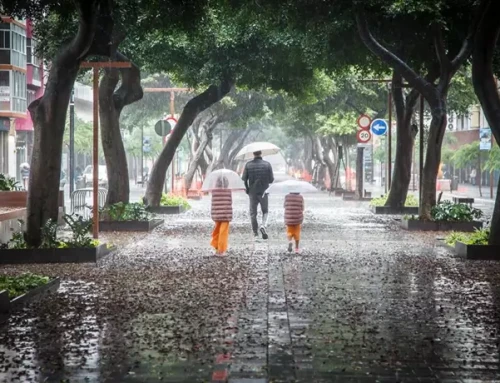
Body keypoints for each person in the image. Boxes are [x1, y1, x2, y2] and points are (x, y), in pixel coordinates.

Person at [242, 151, 274, 240]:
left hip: (252, 192)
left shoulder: (248, 165)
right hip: (264, 191)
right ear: (261, 154)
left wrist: (247, 189)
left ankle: (255, 233)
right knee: (265, 211)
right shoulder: (267, 165)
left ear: (253, 154)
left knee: (253, 213)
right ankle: (263, 225)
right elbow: (271, 180)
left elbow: (244, 179)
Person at [210, 176, 232, 256]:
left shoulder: (214, 191)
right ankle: (221, 250)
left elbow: (213, 203)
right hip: (226, 214)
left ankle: (216, 245)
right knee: (223, 232)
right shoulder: (228, 191)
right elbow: (230, 202)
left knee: (217, 230)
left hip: (217, 214)